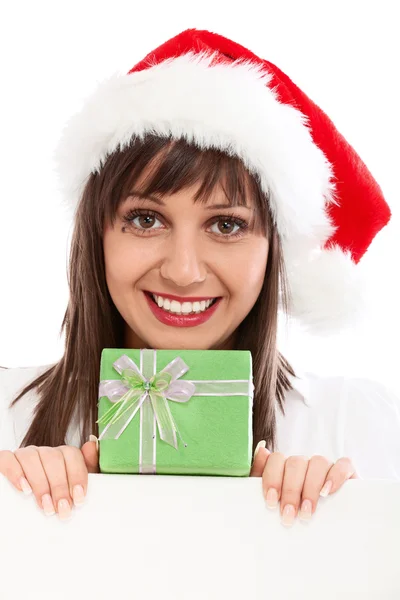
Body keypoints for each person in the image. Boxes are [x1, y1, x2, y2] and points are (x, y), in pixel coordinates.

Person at [1, 28, 399, 527]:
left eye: (227, 225)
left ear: (274, 249)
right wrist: (15, 520)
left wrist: (340, 534)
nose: (183, 272)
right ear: (95, 235)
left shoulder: (358, 425)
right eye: (146, 219)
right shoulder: (5, 415)